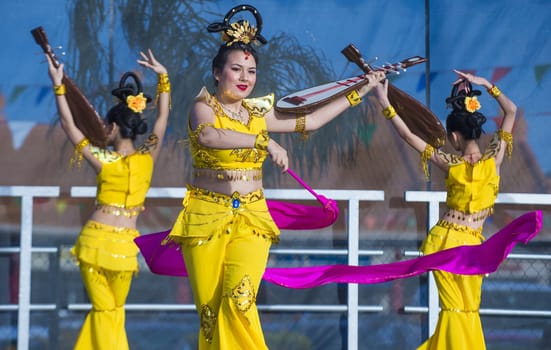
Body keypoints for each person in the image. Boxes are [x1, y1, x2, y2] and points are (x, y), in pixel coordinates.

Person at [162, 4, 384, 349]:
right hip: (206, 217)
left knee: (240, 300)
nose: (244, 77)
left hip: (251, 217)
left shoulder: (256, 115)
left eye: (250, 71)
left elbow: (310, 121)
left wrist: (360, 92)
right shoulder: (202, 108)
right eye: (236, 69)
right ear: (218, 72)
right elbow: (210, 137)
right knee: (209, 312)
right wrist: (263, 143)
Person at [373, 70, 517, 349]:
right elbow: (511, 111)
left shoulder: (450, 163)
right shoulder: (495, 159)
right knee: (461, 309)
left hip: (448, 240)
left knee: (463, 309)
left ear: (453, 136)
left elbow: (407, 135)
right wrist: (486, 85)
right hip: (467, 243)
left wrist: (384, 102)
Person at [45, 49, 170, 349]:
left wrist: (58, 85)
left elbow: (69, 125)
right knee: (112, 312)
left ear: (113, 128)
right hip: (125, 248)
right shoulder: (147, 157)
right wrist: (163, 77)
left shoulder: (103, 159)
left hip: (96, 243)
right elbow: (163, 117)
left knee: (106, 311)